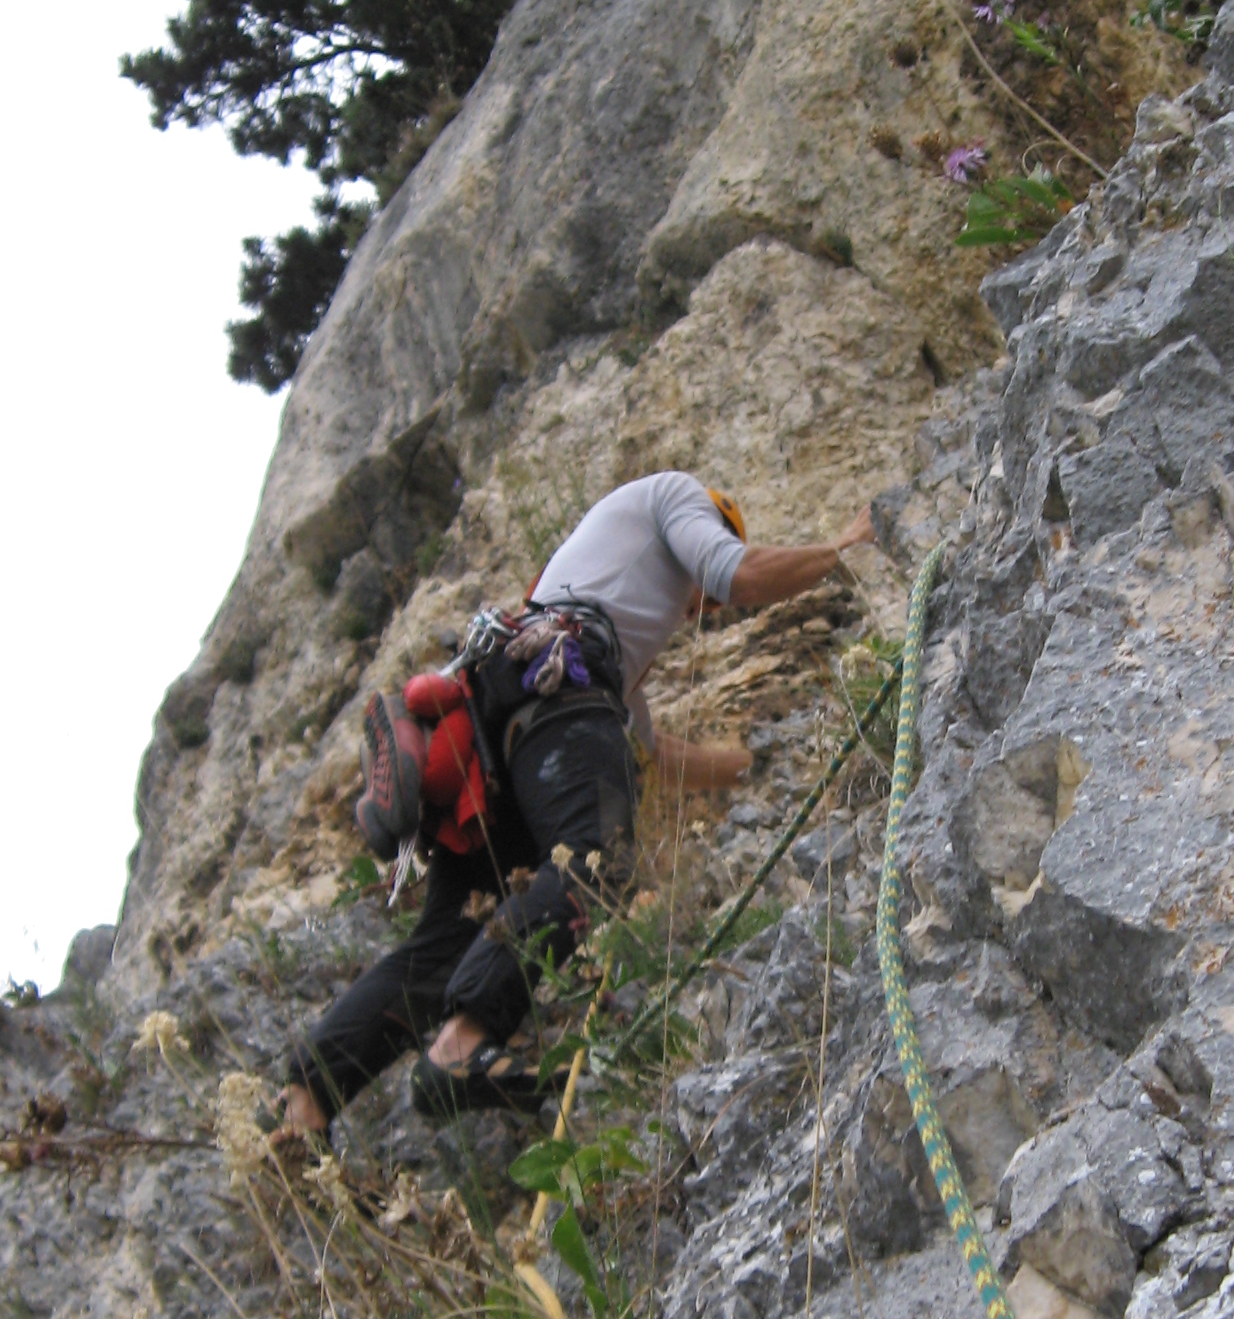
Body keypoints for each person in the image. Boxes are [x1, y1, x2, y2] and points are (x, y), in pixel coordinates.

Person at [278, 472, 876, 1133]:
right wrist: (842, 547)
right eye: (700, 600)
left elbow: (654, 752)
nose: (701, 611)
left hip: (503, 721)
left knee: (446, 945)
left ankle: (301, 1111)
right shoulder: (677, 497)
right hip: (555, 689)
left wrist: (763, 763)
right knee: (597, 857)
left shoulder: (600, 599)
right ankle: (461, 1044)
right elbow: (737, 573)